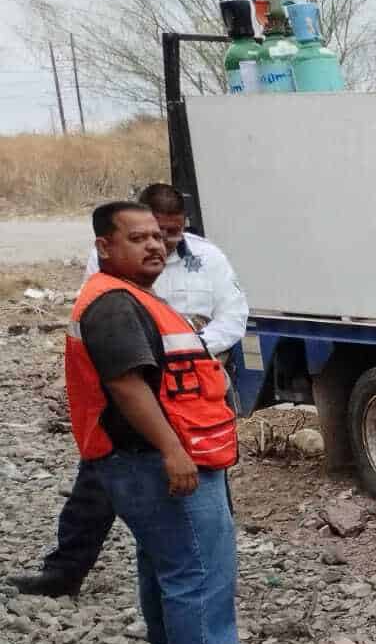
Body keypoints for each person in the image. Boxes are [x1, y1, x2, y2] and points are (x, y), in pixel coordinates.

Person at [62, 201, 266, 644]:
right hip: (155, 460)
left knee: (169, 569)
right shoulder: (112, 304)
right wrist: (174, 452)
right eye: (137, 238)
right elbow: (127, 385)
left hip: (153, 459)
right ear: (104, 247)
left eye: (157, 236)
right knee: (200, 571)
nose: (154, 245)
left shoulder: (132, 299)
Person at [9, 183, 248, 598]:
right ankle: (65, 573)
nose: (163, 243)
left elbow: (233, 314)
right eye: (149, 234)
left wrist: (191, 348)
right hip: (132, 413)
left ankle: (211, 566)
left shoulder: (208, 258)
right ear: (112, 243)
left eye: (168, 233)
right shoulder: (111, 282)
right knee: (96, 494)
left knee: (203, 509)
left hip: (192, 402)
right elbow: (117, 361)